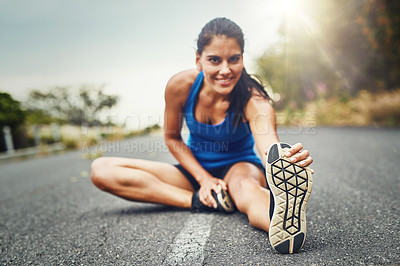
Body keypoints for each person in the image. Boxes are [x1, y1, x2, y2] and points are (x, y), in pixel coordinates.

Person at [91, 17, 314, 254]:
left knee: (246, 189)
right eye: (214, 60)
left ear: (242, 59)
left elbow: (268, 143)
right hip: (194, 170)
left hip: (239, 167)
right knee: (101, 169)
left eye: (234, 59)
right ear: (199, 61)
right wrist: (204, 180)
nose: (225, 69)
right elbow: (172, 138)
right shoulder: (180, 86)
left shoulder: (254, 99)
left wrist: (285, 159)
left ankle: (280, 221)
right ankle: (201, 200)